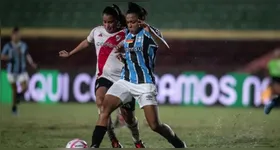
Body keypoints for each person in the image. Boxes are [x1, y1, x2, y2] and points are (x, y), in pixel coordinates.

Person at [90, 2, 187, 148]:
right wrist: (123, 56)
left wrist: (150, 31)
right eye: (128, 22)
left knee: (154, 125)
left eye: (133, 22)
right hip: (125, 81)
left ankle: (179, 144)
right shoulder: (128, 35)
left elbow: (164, 46)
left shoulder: (149, 32)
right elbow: (131, 51)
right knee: (104, 110)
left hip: (144, 84)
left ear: (141, 21)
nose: (130, 25)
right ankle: (94, 146)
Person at [58, 4, 145, 148]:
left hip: (124, 79)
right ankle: (113, 140)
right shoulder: (96, 32)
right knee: (101, 103)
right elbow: (87, 42)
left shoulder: (127, 34)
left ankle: (137, 141)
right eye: (105, 22)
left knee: (128, 117)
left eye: (110, 22)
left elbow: (137, 51)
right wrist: (70, 54)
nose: (107, 25)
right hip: (104, 77)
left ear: (117, 21)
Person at [1, 27, 37, 115]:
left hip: (21, 71)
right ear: (12, 35)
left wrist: (32, 63)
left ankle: (19, 96)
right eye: (16, 35)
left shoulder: (23, 45)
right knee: (14, 90)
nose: (17, 36)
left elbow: (27, 54)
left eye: (18, 35)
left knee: (25, 87)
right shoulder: (8, 46)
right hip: (11, 71)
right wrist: (9, 57)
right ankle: (14, 108)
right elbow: (2, 56)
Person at [264, 49, 280, 114]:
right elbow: (268, 71)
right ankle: (272, 103)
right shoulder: (271, 63)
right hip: (275, 79)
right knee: (275, 93)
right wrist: (269, 79)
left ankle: (272, 103)